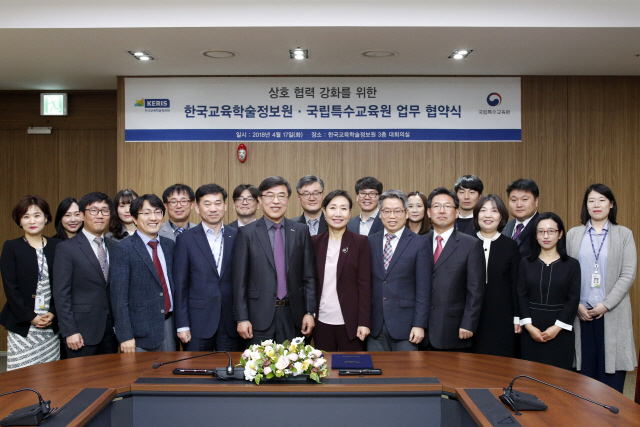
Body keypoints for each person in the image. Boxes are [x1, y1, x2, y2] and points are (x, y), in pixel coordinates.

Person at [567, 184, 637, 392]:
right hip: (581, 313)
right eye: (591, 201)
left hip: (612, 312)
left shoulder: (624, 234)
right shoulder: (573, 234)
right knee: (583, 374)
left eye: (602, 200)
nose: (596, 205)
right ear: (586, 206)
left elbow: (628, 274)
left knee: (611, 376)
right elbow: (567, 273)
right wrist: (577, 304)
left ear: (611, 204)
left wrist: (605, 305)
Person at [233, 176, 316, 345]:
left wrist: (310, 311)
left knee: (296, 368)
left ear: (288, 199)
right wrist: (242, 318)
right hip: (258, 317)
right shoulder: (247, 233)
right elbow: (239, 281)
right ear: (260, 200)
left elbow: (309, 276)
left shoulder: (300, 231)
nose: (276, 201)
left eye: (281, 196)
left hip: (294, 315)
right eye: (269, 195)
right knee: (259, 369)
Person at [173, 184, 242, 351]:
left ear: (225, 206)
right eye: (207, 204)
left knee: (230, 370)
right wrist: (182, 325)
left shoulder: (238, 236)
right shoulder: (186, 240)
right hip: (198, 323)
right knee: (197, 371)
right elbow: (180, 285)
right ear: (197, 208)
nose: (213, 209)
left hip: (230, 322)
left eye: (218, 203)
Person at [53, 192, 118, 358]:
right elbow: (61, 294)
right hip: (81, 333)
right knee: (80, 382)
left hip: (111, 332)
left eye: (104, 211)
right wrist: (70, 331)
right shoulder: (67, 249)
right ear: (82, 215)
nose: (100, 216)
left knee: (110, 380)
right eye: (94, 210)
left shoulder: (114, 247)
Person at [0, 196, 62, 370]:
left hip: (50, 324)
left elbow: (63, 285)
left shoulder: (58, 246)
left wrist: (52, 313)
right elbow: (10, 288)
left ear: (47, 218)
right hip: (23, 324)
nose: (32, 221)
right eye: (26, 216)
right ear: (19, 220)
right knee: (21, 377)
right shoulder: (11, 247)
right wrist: (31, 318)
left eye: (37, 215)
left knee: (50, 376)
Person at [110, 194, 177, 352]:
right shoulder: (123, 249)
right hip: (139, 332)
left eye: (157, 212)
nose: (153, 218)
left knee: (169, 374)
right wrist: (125, 336)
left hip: (169, 324)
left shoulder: (169, 246)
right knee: (142, 376)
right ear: (134, 218)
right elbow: (118, 297)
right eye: (146, 213)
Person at [367, 190, 431, 351]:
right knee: (375, 373)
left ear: (406, 213)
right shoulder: (370, 241)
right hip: (374, 325)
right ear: (380, 214)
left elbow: (424, 288)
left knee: (406, 374)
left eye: (397, 211)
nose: (392, 216)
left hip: (406, 327)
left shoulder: (419, 243)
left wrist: (419, 324)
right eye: (386, 211)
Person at [518, 212, 580, 370]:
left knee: (558, 380)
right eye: (541, 231)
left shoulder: (572, 264)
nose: (546, 236)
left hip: (560, 330)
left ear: (560, 234)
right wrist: (529, 327)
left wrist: (556, 328)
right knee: (529, 378)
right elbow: (521, 295)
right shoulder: (526, 263)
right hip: (531, 328)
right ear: (535, 235)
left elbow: (573, 299)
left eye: (551, 231)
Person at [425, 187, 485, 351]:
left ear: (457, 212)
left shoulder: (471, 245)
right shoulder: (419, 242)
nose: (442, 211)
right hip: (422, 329)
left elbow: (476, 289)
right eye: (437, 206)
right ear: (429, 212)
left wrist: (468, 323)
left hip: (455, 328)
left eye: (448, 206)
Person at [311, 190, 371, 351]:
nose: (338, 213)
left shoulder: (360, 242)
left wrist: (364, 322)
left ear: (350, 213)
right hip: (321, 321)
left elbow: (365, 286)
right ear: (324, 212)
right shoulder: (314, 243)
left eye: (343, 209)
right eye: (333, 208)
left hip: (351, 323)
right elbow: (310, 282)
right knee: (324, 371)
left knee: (351, 371)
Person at [472, 194, 521, 357]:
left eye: (494, 211)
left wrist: (517, 316)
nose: (488, 215)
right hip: (471, 317)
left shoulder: (510, 246)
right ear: (476, 214)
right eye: (483, 210)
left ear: (501, 216)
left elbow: (516, 284)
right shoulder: (466, 242)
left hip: (502, 316)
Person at [502, 179, 539, 258]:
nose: (519, 205)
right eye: (514, 200)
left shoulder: (543, 226)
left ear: (536, 201)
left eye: (524, 199)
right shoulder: (505, 226)